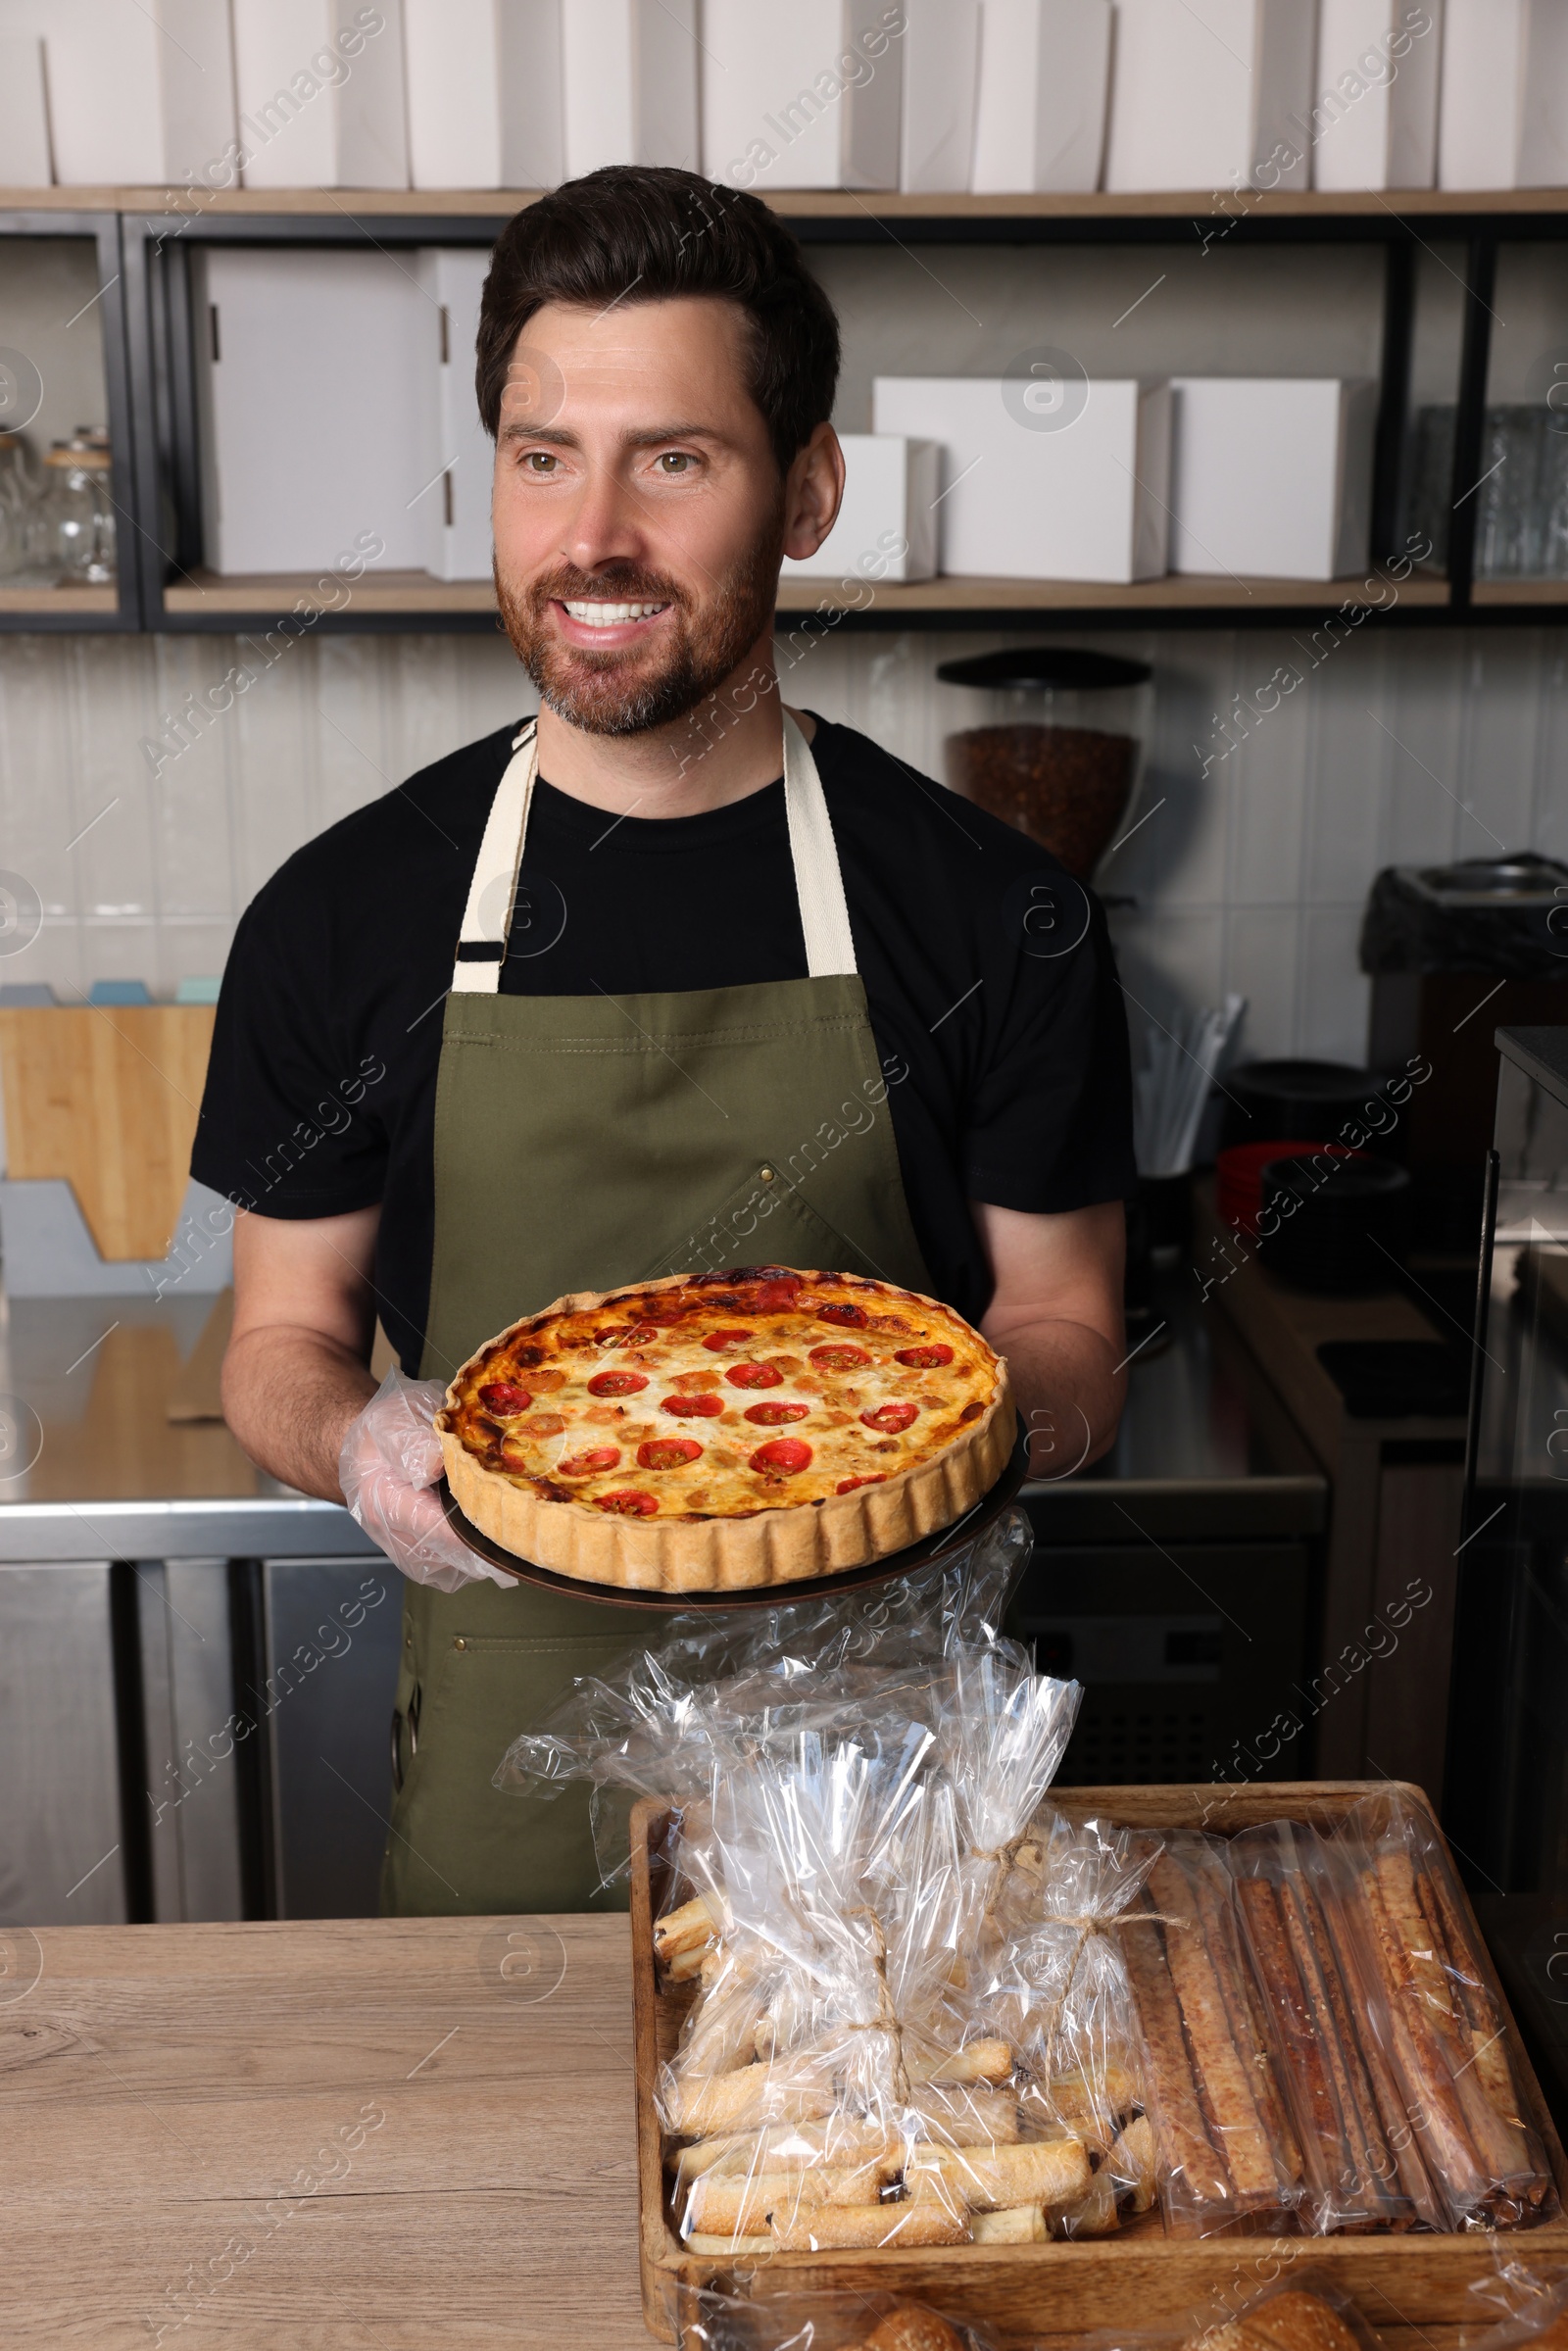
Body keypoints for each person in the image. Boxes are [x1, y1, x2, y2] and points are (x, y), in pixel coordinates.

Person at [193, 165, 1136, 1918]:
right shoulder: (338, 915)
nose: (594, 535)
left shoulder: (1001, 916)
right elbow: (276, 1339)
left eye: (674, 459)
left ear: (809, 493)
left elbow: (1071, 1327)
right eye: (545, 456)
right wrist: (354, 1443)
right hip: (501, 1775)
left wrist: (943, 1440)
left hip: (881, 1796)